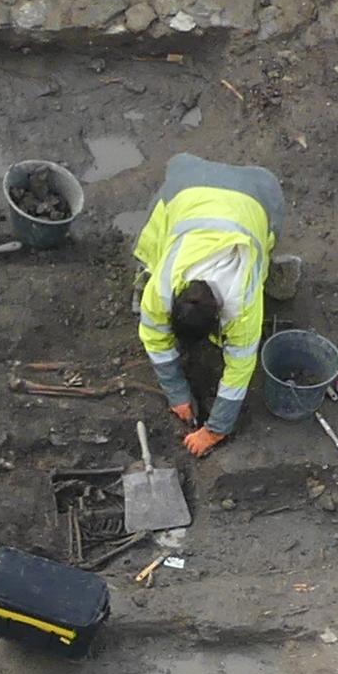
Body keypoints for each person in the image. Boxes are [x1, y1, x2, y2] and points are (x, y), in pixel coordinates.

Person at [130, 155, 287, 458]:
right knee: (154, 241)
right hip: (187, 187)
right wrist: (176, 392)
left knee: (262, 243)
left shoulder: (243, 309)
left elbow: (239, 370)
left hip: (256, 193)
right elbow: (154, 337)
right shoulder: (161, 289)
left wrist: (215, 430)